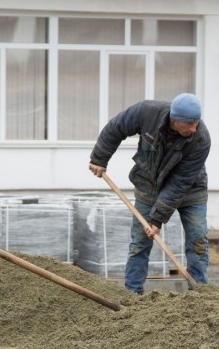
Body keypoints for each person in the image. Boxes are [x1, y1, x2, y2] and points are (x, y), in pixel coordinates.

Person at [88, 93, 210, 294]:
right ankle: (132, 293)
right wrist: (99, 158)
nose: (194, 128)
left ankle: (199, 294)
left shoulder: (201, 139)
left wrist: (157, 219)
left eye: (196, 122)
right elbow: (116, 128)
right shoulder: (147, 112)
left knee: (198, 241)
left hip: (190, 190)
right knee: (139, 243)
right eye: (189, 124)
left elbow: (179, 183)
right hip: (149, 185)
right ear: (174, 119)